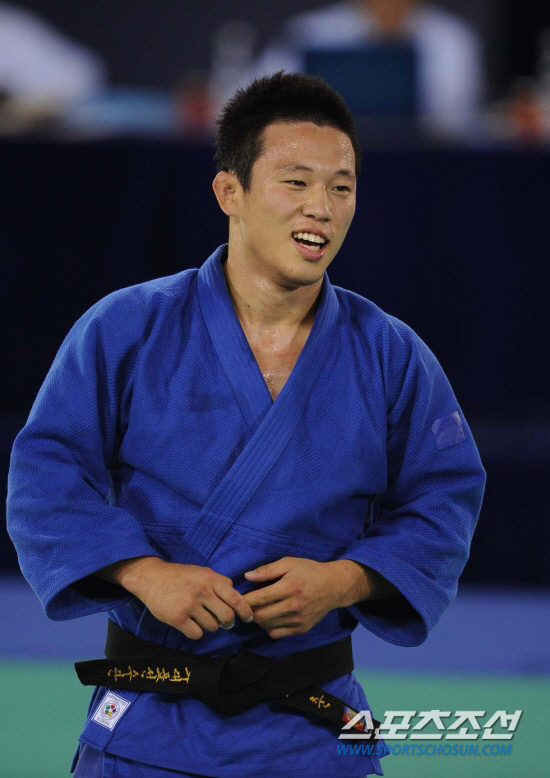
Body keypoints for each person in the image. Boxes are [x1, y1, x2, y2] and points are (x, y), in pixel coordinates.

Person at [7, 71, 485, 777]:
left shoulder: (392, 354)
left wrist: (346, 581)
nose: (321, 207)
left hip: (314, 727)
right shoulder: (127, 328)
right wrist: (143, 573)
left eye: (342, 187)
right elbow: (45, 477)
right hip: (150, 724)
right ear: (230, 192)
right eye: (296, 182)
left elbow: (444, 500)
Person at [251, 0, 485, 133]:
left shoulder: (453, 38)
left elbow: (457, 118)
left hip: (421, 167)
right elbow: (256, 96)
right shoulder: (309, 33)